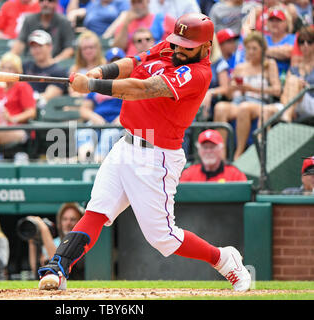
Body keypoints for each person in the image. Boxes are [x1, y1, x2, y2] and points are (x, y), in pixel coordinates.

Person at [37, 13, 252, 292]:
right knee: (97, 210)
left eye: (187, 45)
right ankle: (58, 266)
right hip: (126, 145)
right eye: (177, 41)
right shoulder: (170, 46)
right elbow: (134, 63)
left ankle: (224, 259)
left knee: (163, 237)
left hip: (157, 156)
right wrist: (100, 72)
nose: (178, 48)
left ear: (205, 48)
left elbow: (143, 88)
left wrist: (92, 86)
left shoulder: (198, 73)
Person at [213, 31, 282, 160]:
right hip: (238, 100)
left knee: (245, 108)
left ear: (263, 49)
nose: (251, 52)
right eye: (248, 48)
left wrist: (252, 89)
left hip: (259, 102)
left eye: (254, 48)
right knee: (220, 107)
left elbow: (277, 90)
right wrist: (233, 88)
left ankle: (238, 153)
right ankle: (220, 156)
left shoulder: (269, 65)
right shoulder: (240, 67)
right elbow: (228, 95)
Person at [76, 47, 125, 163]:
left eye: (118, 61)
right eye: (111, 62)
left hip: (117, 124)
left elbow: (134, 107)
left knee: (109, 133)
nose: (114, 64)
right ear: (107, 64)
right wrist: (95, 118)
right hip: (99, 121)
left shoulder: (128, 82)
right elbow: (84, 109)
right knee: (84, 131)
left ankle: (97, 163)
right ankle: (85, 161)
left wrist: (122, 118)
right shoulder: (98, 83)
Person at [27, 203, 85, 280]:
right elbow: (35, 269)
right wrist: (31, 240)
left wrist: (44, 229)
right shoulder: (55, 242)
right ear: (60, 222)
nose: (68, 223)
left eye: (73, 219)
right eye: (65, 219)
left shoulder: (83, 243)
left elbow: (57, 264)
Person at [180, 129, 247, 182]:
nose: (208, 151)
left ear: (221, 149)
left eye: (212, 147)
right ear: (199, 150)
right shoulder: (188, 174)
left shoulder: (235, 175)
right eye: (205, 147)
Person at [22, 30, 69, 106]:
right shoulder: (26, 66)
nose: (36, 50)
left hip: (44, 110)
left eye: (40, 46)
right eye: (33, 47)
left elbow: (48, 96)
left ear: (50, 47)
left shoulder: (59, 72)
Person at [281, 25, 314, 122]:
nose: (305, 45)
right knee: (267, 110)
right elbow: (284, 95)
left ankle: (287, 115)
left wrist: (306, 87)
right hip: (294, 104)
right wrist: (287, 106)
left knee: (294, 80)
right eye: (301, 42)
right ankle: (261, 137)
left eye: (309, 42)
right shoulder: (294, 68)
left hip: (312, 101)